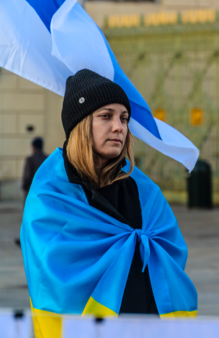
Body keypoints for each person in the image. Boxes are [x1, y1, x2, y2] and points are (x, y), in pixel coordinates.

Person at [21, 69, 197, 338]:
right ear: (80, 124)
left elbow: (171, 251)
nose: (119, 127)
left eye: (124, 118)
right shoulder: (51, 192)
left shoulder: (144, 189)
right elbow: (51, 268)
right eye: (106, 116)